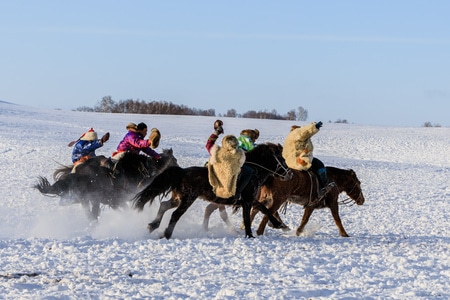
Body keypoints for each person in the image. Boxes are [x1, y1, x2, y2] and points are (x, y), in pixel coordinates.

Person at [282, 121, 334, 201]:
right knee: (319, 164)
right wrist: (314, 127)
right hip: (299, 160)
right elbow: (304, 132)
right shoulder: (297, 134)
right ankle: (323, 186)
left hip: (291, 160)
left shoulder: (291, 137)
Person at [205, 120, 252, 202]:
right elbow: (241, 164)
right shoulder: (239, 154)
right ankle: (237, 194)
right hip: (229, 188)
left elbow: (209, 144)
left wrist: (217, 132)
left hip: (217, 182)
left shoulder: (217, 152)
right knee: (249, 171)